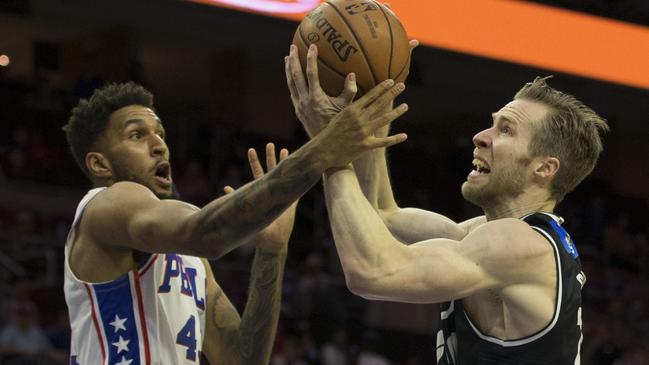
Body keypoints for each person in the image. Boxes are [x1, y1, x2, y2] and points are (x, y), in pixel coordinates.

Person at [285, 43, 609, 364]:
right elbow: (383, 215)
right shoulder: (488, 235)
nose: (480, 136)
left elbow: (373, 272)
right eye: (492, 123)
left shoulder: (522, 245)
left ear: (544, 168)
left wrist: (328, 147)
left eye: (506, 130)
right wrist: (377, 103)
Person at [61, 80, 406, 364]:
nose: (159, 146)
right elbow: (203, 232)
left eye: (160, 134)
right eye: (137, 135)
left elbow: (242, 360)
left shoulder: (189, 259)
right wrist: (323, 149)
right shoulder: (106, 205)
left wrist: (271, 250)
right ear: (99, 164)